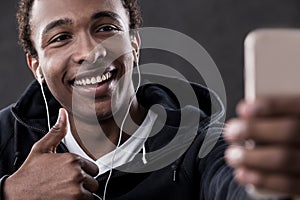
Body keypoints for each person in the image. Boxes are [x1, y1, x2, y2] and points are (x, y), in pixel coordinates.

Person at [0, 0, 299, 199]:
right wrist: (10, 192)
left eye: (106, 28)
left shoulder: (201, 146)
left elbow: (235, 186)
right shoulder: (5, 137)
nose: (90, 52)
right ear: (36, 66)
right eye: (60, 38)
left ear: (134, 45)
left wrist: (279, 181)